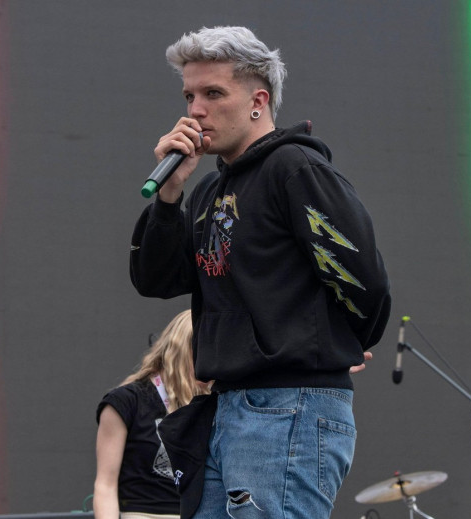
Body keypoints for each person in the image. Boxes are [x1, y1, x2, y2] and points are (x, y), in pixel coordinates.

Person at [130, 26, 391, 519]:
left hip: (290, 405)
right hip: (229, 406)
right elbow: (156, 280)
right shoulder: (208, 192)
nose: (195, 110)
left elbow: (363, 277)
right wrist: (169, 197)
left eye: (212, 93)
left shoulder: (294, 169)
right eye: (189, 95)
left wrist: (332, 347)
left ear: (259, 100)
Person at [93, 309, 208, 519]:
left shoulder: (214, 403)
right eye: (207, 352)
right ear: (184, 350)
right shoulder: (126, 401)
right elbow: (105, 486)